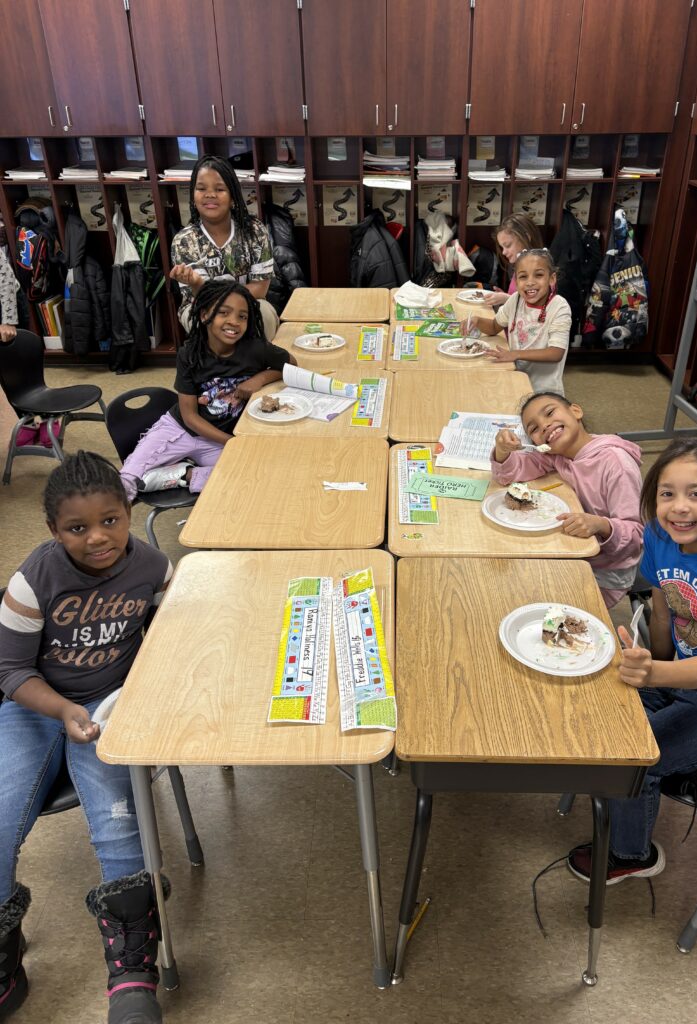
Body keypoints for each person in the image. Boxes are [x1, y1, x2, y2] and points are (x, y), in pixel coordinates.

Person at [0, 451, 173, 1022]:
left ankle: (131, 971)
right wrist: (62, 708)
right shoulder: (33, 581)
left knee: (118, 823)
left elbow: (169, 637)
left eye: (110, 520)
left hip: (111, 705)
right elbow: (9, 671)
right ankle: (4, 948)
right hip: (35, 706)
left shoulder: (153, 567)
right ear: (54, 530)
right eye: (77, 528)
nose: (98, 537)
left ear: (128, 513)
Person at [567, 438, 697, 884]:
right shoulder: (660, 537)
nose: (679, 507)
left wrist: (654, 673)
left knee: (632, 757)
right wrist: (649, 669)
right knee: (598, 711)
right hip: (683, 680)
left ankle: (631, 855)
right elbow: (663, 611)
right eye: (667, 493)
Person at [120, 279, 295, 500]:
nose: (234, 322)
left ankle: (187, 475)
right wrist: (231, 442)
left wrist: (259, 379)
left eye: (242, 316)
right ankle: (165, 473)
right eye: (224, 313)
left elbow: (291, 365)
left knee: (255, 477)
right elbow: (190, 417)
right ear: (204, 315)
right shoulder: (189, 354)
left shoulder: (256, 348)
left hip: (216, 440)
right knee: (126, 482)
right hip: (181, 429)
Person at [492, 391, 643, 608]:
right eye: (534, 429)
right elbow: (509, 474)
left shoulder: (617, 464)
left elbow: (637, 536)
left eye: (549, 413)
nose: (544, 426)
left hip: (606, 571)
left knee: (524, 599)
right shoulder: (559, 455)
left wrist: (601, 524)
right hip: (572, 549)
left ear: (576, 411)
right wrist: (502, 451)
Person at [169, 154, 274, 334]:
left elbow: (260, 288)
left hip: (246, 303)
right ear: (193, 195)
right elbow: (201, 295)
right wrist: (196, 283)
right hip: (201, 305)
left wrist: (231, 305)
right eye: (201, 188)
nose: (210, 195)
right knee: (210, 321)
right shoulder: (184, 240)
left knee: (264, 312)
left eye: (219, 189)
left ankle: (259, 353)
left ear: (233, 196)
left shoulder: (255, 231)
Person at [459, 248, 571, 394]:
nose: (530, 282)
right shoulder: (515, 300)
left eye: (538, 275)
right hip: (514, 379)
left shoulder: (559, 307)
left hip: (543, 391)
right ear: (516, 282)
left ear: (552, 279)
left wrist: (515, 354)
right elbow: (494, 327)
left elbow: (555, 353)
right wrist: (477, 321)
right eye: (523, 277)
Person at [485, 213, 544, 307]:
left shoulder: (541, 270)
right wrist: (505, 296)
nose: (503, 252)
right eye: (502, 247)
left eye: (508, 245)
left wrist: (507, 298)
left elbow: (539, 308)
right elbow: (521, 298)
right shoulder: (517, 267)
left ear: (526, 238)